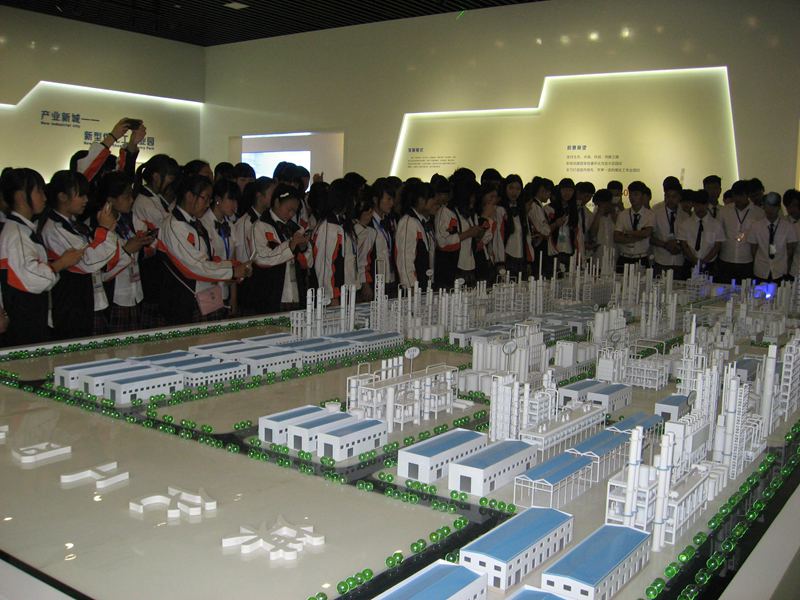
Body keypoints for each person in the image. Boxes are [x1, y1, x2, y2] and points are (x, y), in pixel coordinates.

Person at [0, 169, 83, 346]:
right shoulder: (16, 234)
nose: (44, 197)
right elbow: (32, 277)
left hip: (30, 315)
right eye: (39, 191)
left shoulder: (21, 230)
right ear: (21, 196)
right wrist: (61, 263)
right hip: (23, 319)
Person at [157, 175, 250, 324]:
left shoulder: (195, 222)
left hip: (205, 294)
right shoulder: (174, 225)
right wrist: (232, 271)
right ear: (189, 196)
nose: (208, 204)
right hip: (183, 299)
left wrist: (232, 267)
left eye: (209, 199)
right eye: (205, 198)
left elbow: (207, 259)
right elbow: (194, 266)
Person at [41, 170, 120, 340]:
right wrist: (104, 229)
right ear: (62, 196)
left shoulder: (73, 224)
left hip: (85, 299)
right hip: (69, 304)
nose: (86, 200)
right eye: (81, 195)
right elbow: (87, 261)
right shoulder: (54, 229)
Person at [96, 172, 156, 333]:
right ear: (110, 200)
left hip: (135, 292)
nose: (131, 200)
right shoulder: (98, 227)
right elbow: (102, 270)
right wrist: (128, 250)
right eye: (126, 196)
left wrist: (145, 242)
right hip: (114, 296)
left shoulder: (127, 220)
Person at [132, 154, 180, 327]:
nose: (173, 182)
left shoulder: (155, 199)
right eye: (170, 177)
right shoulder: (145, 202)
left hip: (157, 267)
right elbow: (167, 231)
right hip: (151, 267)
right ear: (156, 177)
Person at [252, 185, 312, 313]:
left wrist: (303, 248)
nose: (291, 214)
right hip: (270, 295)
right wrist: (291, 246)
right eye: (289, 209)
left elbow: (309, 262)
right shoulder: (260, 226)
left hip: (295, 294)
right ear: (276, 202)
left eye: (294, 211)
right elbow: (261, 258)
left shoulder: (297, 229)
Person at [313, 179, 359, 303]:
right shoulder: (329, 226)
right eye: (353, 198)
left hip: (345, 291)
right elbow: (325, 265)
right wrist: (330, 296)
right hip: (334, 295)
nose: (355, 202)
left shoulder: (341, 222)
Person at [434, 178, 484, 288]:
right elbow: (442, 242)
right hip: (453, 269)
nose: (474, 200)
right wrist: (468, 234)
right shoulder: (446, 212)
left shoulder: (470, 213)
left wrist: (479, 233)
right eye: (472, 196)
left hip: (470, 267)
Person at [201, 179, 240, 313]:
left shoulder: (230, 226)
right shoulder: (203, 223)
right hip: (207, 290)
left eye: (236, 200)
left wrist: (234, 297)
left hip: (225, 291)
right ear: (218, 199)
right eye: (231, 199)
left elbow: (233, 261)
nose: (235, 205)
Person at [717, 179, 765, 283]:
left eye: (741, 195)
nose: (737, 199)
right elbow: (718, 234)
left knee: (745, 290)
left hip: (747, 259)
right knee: (723, 289)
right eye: (735, 195)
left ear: (747, 195)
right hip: (726, 258)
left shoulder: (759, 213)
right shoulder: (724, 211)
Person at [747, 192, 797, 284]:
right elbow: (753, 250)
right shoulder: (756, 226)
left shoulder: (788, 227)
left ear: (778, 207)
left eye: (773, 206)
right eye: (767, 206)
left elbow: (790, 250)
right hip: (761, 269)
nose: (770, 209)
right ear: (764, 207)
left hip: (780, 271)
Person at [396, 180, 437, 290]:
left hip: (425, 284)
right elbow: (405, 259)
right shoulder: (408, 221)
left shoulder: (424, 221)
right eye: (432, 199)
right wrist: (411, 287)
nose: (436, 203)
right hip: (414, 288)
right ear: (421, 200)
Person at [677, 190, 725, 277]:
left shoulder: (716, 224)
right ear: (693, 205)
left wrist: (704, 261)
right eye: (697, 205)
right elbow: (684, 245)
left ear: (707, 205)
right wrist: (695, 260)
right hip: (690, 263)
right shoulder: (685, 224)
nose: (700, 208)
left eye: (703, 204)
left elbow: (717, 246)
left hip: (709, 264)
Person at [364, 178, 398, 296]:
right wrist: (365, 284)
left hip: (391, 280)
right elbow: (362, 257)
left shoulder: (389, 221)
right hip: (375, 282)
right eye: (388, 199)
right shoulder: (367, 223)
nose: (392, 203)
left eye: (392, 199)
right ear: (375, 199)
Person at [650, 179, 687, 278]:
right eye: (667, 196)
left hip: (679, 260)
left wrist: (679, 245)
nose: (670, 200)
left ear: (679, 197)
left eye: (674, 196)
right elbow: (649, 236)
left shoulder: (685, 213)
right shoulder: (655, 210)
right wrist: (665, 245)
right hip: (660, 259)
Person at [614, 180, 654, 271]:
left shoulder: (650, 214)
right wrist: (638, 236)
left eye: (636, 194)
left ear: (643, 196)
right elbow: (616, 237)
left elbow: (646, 233)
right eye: (630, 194)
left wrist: (627, 233)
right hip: (624, 257)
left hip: (641, 257)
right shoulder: (623, 214)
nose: (632, 198)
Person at [497, 174, 531, 279]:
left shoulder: (521, 210)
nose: (514, 192)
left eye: (518, 189)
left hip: (521, 258)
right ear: (505, 188)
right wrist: (500, 261)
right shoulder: (500, 209)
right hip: (507, 257)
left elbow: (526, 237)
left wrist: (528, 260)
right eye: (511, 188)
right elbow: (499, 237)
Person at [546, 178, 578, 274]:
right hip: (554, 250)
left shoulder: (574, 209)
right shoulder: (550, 208)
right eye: (564, 189)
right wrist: (556, 224)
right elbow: (544, 230)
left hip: (569, 250)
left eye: (570, 190)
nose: (567, 193)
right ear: (559, 190)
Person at [527, 177, 553, 278]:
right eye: (548, 192)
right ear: (542, 190)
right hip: (538, 246)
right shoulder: (534, 206)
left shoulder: (538, 205)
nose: (549, 195)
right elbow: (543, 230)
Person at [352, 195, 377, 301]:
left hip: (360, 278)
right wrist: (364, 282)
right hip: (359, 280)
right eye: (367, 213)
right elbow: (361, 260)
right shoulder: (364, 232)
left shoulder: (369, 231)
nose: (370, 216)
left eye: (371, 213)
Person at [586, 188, 616, 263]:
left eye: (600, 205)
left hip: (615, 257)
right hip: (597, 258)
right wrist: (598, 215)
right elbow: (592, 234)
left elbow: (621, 231)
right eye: (597, 205)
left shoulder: (619, 215)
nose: (599, 207)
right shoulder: (593, 216)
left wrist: (613, 213)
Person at [574, 181, 595, 258]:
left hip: (582, 250)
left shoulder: (588, 213)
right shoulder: (567, 208)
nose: (587, 199)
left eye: (590, 197)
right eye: (586, 196)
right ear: (578, 193)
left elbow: (588, 232)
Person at [783, 189, 800, 278]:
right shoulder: (782, 223)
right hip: (784, 270)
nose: (792, 209)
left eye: (795, 205)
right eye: (789, 206)